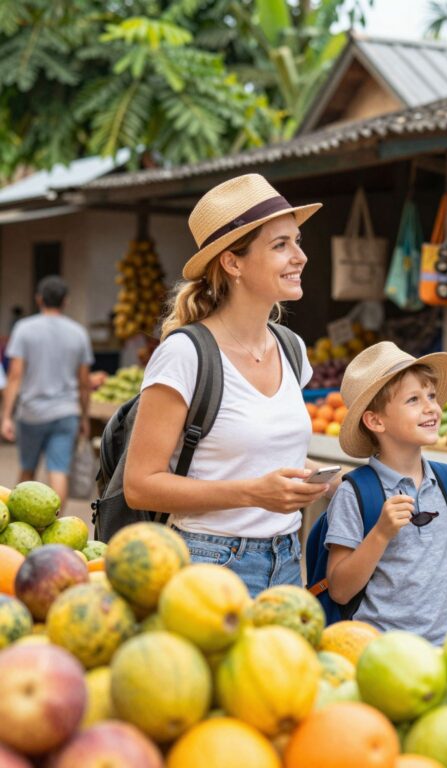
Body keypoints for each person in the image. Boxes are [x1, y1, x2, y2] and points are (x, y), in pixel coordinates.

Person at [123, 174, 330, 596]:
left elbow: (258, 455)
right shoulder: (186, 354)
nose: (300, 257)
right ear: (232, 263)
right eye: (280, 245)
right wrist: (253, 493)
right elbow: (139, 485)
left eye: (297, 240)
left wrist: (314, 479)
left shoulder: (292, 349)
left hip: (288, 561)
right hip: (208, 564)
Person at [323, 341, 447, 645]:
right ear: (375, 420)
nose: (431, 407)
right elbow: (340, 589)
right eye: (413, 399)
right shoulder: (356, 493)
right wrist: (381, 533)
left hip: (446, 650)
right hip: (384, 654)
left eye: (432, 396)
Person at [1, 276, 93, 503]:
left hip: (31, 413)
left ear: (39, 299)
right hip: (65, 413)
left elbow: (14, 376)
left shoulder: (24, 329)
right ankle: (55, 524)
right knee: (59, 471)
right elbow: (84, 382)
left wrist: (6, 416)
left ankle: (21, 525)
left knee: (27, 471)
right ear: (65, 301)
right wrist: (84, 416)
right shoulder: (78, 333)